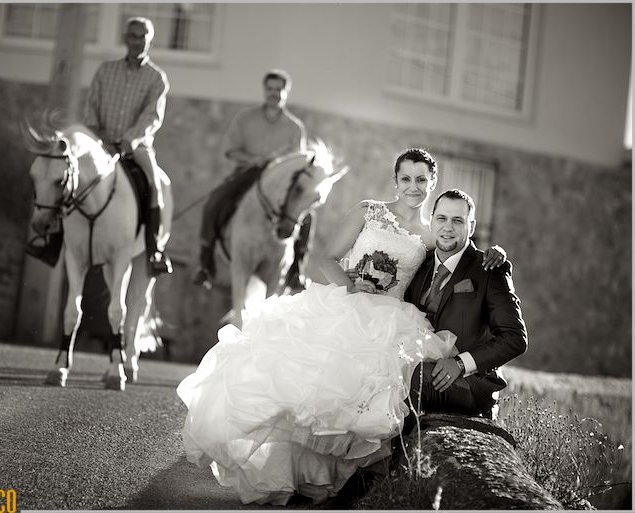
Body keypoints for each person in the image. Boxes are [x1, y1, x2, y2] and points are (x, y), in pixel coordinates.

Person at [177, 148, 508, 505]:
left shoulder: (431, 235)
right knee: (309, 391)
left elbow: (462, 250)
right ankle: (290, 476)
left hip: (388, 320)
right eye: (406, 178)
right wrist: (354, 286)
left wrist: (498, 253)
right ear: (395, 181)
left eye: (421, 180)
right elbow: (324, 257)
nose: (413, 187)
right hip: (345, 306)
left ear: (432, 183)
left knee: (356, 405)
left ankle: (329, 485)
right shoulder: (369, 211)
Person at [404, 189, 527, 422]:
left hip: (469, 383)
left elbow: (515, 338)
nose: (448, 227)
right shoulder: (420, 264)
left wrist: (461, 364)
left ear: (471, 227)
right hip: (422, 364)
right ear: (431, 221)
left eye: (457, 220)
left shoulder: (490, 269)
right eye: (441, 218)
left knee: (406, 378)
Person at [192, 69, 309, 290]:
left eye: (279, 89)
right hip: (247, 173)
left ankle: (296, 271)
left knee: (305, 215)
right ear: (264, 90)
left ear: (286, 92)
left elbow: (297, 166)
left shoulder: (295, 128)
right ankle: (206, 264)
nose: (274, 93)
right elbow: (229, 150)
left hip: (280, 185)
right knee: (214, 202)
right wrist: (252, 159)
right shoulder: (245, 118)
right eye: (270, 88)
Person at [84, 16, 172, 276]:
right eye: (132, 36)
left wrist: (128, 140)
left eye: (142, 37)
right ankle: (54, 236)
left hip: (137, 147)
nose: (137, 41)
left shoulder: (156, 78)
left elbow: (152, 116)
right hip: (100, 143)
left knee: (155, 185)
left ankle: (154, 249)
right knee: (70, 177)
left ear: (150, 40)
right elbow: (91, 107)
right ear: (125, 38)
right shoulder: (105, 71)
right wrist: (100, 136)